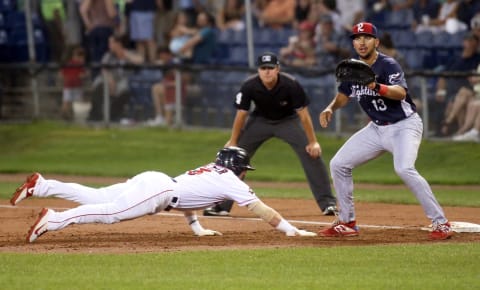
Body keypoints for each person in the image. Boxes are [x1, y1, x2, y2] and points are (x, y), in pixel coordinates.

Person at [318, 22, 453, 240]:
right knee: (339, 164)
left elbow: (400, 93)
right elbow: (344, 94)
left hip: (404, 126)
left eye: (366, 37)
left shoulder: (388, 64)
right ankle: (347, 222)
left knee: (404, 169)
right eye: (357, 38)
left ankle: (441, 222)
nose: (361, 42)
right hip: (376, 128)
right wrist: (331, 107)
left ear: (376, 42)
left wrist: (375, 87)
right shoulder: (352, 68)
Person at [10, 147, 317, 243]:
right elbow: (262, 210)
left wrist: (197, 228)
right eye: (244, 168)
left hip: (156, 180)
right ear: (235, 167)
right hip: (160, 191)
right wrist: (292, 231)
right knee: (109, 213)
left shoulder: (211, 170)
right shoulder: (231, 181)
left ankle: (43, 185)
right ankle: (53, 219)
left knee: (97, 195)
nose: (245, 173)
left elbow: (190, 197)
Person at [203, 52, 337, 217]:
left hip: (288, 121)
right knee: (233, 158)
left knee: (312, 155)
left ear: (277, 69)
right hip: (259, 121)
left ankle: (328, 204)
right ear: (258, 70)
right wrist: (233, 141)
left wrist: (313, 142)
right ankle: (220, 206)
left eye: (270, 68)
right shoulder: (250, 85)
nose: (267, 71)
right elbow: (241, 115)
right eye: (263, 68)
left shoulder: (291, 84)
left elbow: (304, 115)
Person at [87, 35, 144, 122]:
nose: (109, 45)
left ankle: (112, 115)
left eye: (111, 43)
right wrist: (110, 80)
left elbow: (140, 61)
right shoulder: (108, 55)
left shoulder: (129, 53)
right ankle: (95, 114)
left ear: (118, 44)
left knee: (124, 89)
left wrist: (124, 53)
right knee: (98, 84)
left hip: (124, 80)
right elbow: (104, 69)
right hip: (109, 79)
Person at [59, 45, 87, 120]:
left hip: (77, 86)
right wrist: (66, 78)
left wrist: (82, 76)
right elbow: (61, 74)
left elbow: (83, 75)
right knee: (66, 102)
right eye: (79, 56)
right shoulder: (69, 64)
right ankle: (64, 116)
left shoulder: (80, 66)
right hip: (68, 86)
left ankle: (75, 117)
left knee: (78, 102)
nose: (82, 59)